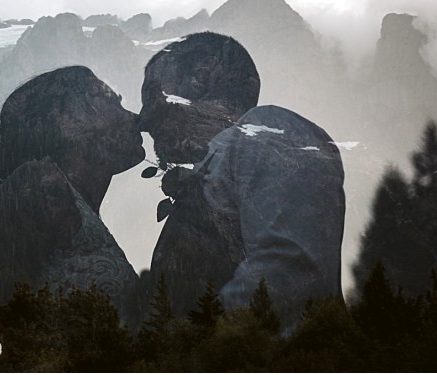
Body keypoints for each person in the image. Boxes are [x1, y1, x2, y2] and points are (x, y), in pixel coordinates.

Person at [0, 65, 145, 369]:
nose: (135, 118)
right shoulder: (35, 188)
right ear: (66, 120)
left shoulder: (69, 205)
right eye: (110, 101)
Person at [138, 32, 345, 333]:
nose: (143, 119)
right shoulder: (227, 156)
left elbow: (289, 271)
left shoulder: (270, 131)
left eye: (152, 95)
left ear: (202, 74)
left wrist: (198, 347)